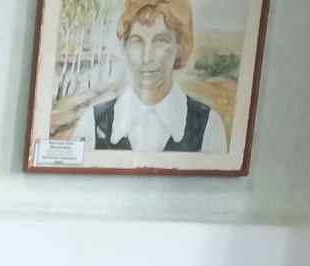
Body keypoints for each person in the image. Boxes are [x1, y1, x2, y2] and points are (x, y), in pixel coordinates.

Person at [82, 0, 228, 156]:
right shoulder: (92, 122)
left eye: (160, 41)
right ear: (125, 47)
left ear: (179, 47)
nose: (146, 58)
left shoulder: (209, 126)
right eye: (137, 41)